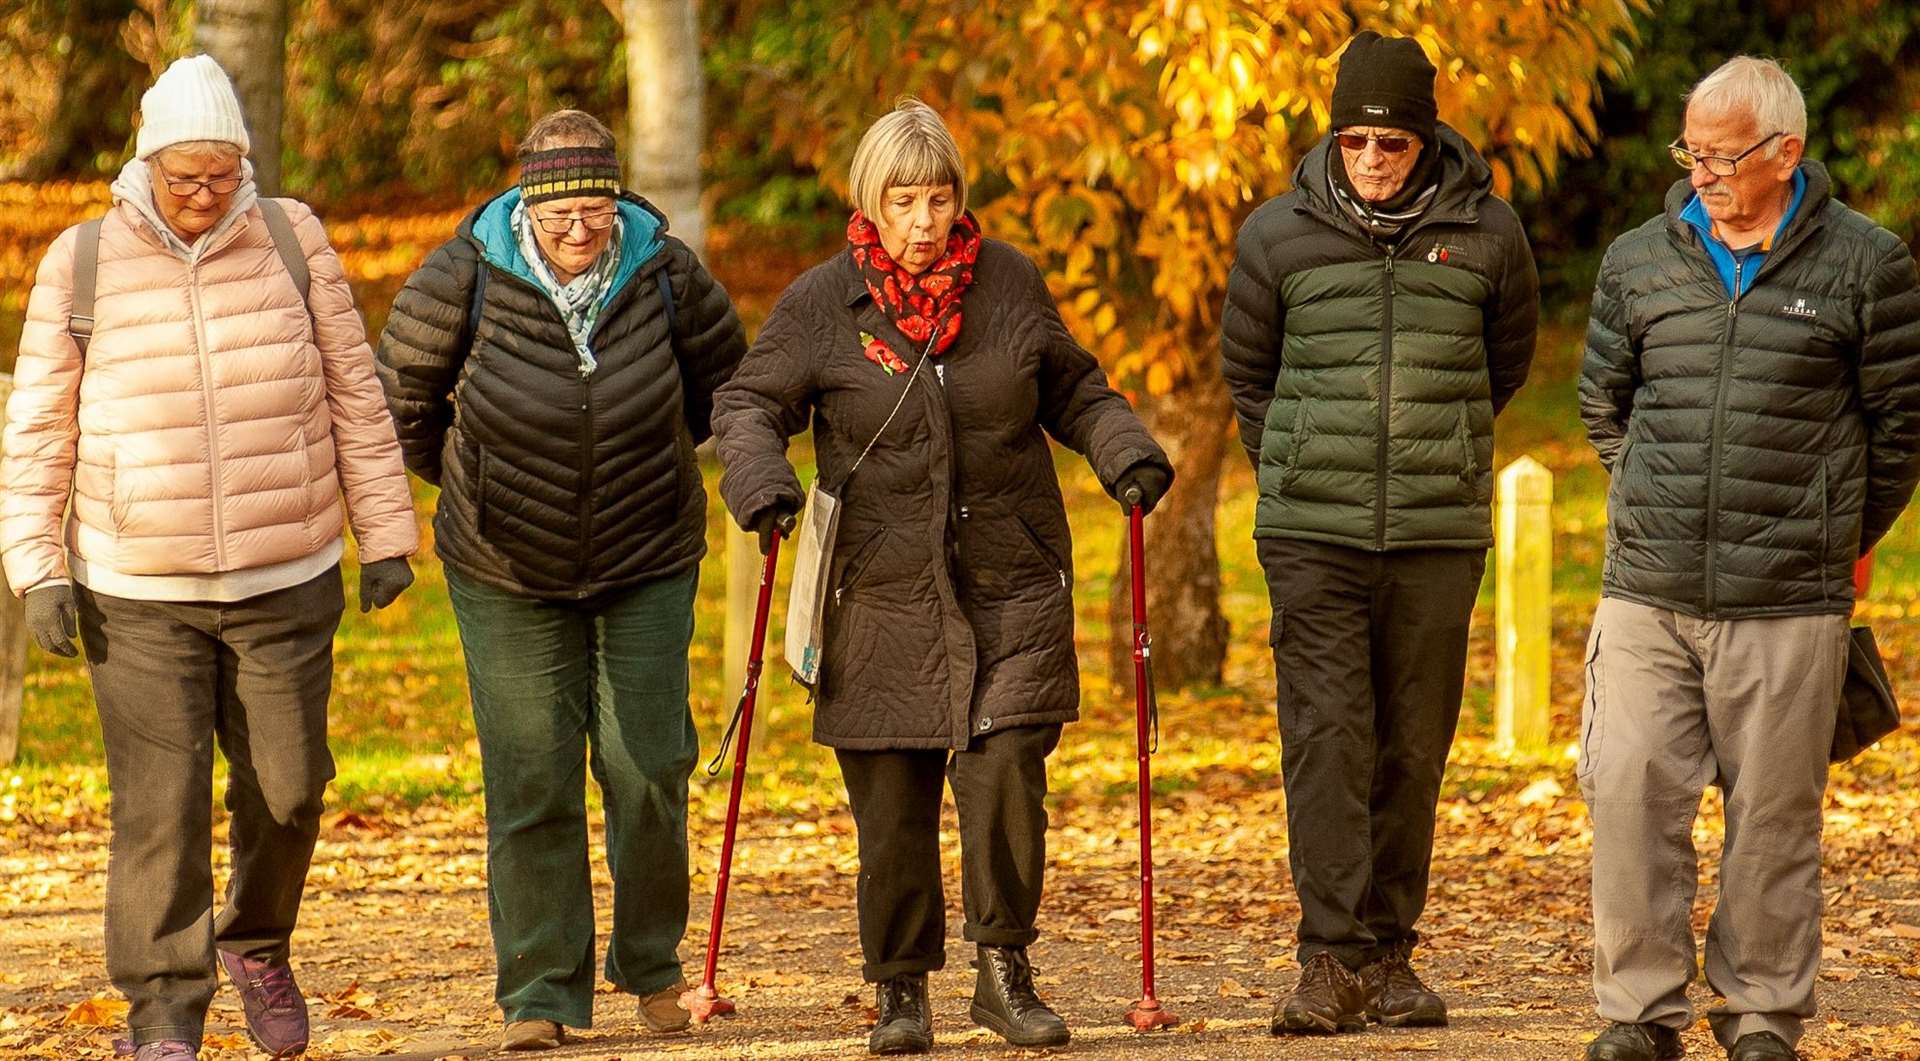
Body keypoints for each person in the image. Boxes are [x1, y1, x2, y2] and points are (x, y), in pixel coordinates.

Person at [711, 98, 1171, 1056]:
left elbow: (1075, 386)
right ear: (868, 206)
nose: (923, 221)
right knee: (892, 805)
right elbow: (748, 403)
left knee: (1006, 779)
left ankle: (1005, 974)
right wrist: (760, 483)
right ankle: (900, 989)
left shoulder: (1007, 284)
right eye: (902, 200)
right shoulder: (821, 303)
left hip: (1009, 582)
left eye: (939, 197)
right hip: (878, 592)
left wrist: (1122, 448)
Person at [0, 55, 419, 1061]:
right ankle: (162, 1012)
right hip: (137, 587)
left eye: (221, 175)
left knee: (290, 787)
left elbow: (354, 391)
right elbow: (40, 420)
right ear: (146, 164)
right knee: (163, 809)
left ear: (246, 165)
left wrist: (387, 532)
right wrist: (37, 565)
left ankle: (259, 941)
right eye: (184, 176)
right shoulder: (84, 258)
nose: (202, 195)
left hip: (287, 573)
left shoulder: (291, 237)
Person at [374, 109, 746, 1051]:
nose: (578, 230)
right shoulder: (463, 273)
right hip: (505, 563)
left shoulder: (665, 272)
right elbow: (403, 398)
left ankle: (654, 968)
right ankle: (539, 988)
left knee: (649, 763)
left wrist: (662, 463)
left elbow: (728, 390)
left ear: (617, 198)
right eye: (559, 214)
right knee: (532, 773)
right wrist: (477, 482)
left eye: (594, 208)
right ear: (526, 208)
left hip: (647, 553)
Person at [1577, 56, 1920, 1061]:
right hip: (1649, 585)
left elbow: (1899, 428)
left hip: (1790, 596)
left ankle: (1763, 1011)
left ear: (1787, 153)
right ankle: (1637, 1012)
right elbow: (1603, 399)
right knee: (1630, 791)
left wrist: (1829, 529)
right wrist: (1650, 488)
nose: (1703, 170)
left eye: (1723, 154)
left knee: (1774, 820)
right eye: (1693, 149)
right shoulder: (1639, 259)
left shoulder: (1869, 263)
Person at [1220, 30, 1539, 1038]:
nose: (1372, 160)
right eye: (1355, 141)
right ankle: (1330, 958)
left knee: (1412, 745)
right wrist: (1302, 460)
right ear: (1335, 137)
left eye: (1391, 144)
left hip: (1439, 534)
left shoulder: (1489, 234)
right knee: (1327, 737)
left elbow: (1507, 363)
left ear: (1426, 140)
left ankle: (1392, 954)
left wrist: (1436, 448)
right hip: (1314, 532)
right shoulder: (1278, 236)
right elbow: (1249, 376)